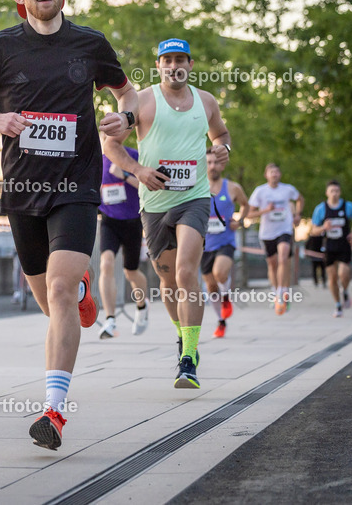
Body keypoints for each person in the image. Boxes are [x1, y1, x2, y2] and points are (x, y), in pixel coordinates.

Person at [0, 0, 137, 450]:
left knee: (56, 289)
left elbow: (127, 93)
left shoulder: (90, 43)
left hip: (77, 186)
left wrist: (127, 118)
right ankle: (78, 293)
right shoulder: (0, 48)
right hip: (23, 190)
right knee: (51, 300)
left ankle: (53, 411)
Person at [105, 38, 231, 390]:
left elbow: (220, 133)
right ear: (158, 65)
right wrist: (137, 171)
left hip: (194, 197)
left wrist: (223, 149)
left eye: (180, 59)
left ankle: (189, 358)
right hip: (154, 203)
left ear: (190, 64)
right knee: (169, 282)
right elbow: (110, 145)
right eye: (167, 59)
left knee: (186, 271)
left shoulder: (206, 101)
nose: (174, 65)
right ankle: (182, 337)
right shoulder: (142, 101)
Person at [95, 136, 149, 339]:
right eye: (104, 136)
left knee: (131, 272)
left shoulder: (134, 156)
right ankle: (110, 319)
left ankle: (142, 307)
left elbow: (147, 187)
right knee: (106, 263)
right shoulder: (97, 161)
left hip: (133, 221)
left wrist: (125, 175)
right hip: (109, 219)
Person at [246, 164, 303, 314]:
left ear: (280, 174)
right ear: (266, 175)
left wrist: (298, 215)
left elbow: (300, 199)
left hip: (284, 229)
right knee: (272, 265)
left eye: (277, 171)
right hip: (267, 233)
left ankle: (282, 292)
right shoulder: (260, 191)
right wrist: (266, 210)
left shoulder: (288, 189)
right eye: (272, 172)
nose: (275, 174)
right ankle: (274, 291)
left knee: (283, 257)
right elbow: (249, 214)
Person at [202, 148, 248, 338]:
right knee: (211, 287)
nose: (213, 166)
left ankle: (226, 297)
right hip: (203, 244)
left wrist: (240, 220)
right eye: (209, 162)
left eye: (216, 162)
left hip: (225, 241)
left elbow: (246, 204)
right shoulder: (197, 186)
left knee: (220, 272)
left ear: (222, 164)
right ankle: (221, 321)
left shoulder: (232, 187)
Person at [310, 181, 352, 317]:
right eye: (332, 191)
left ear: (340, 192)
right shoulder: (320, 209)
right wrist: (323, 228)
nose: (334, 193)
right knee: (332, 278)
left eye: (337, 191)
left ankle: (345, 291)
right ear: (327, 193)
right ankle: (337, 305)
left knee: (343, 273)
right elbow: (314, 230)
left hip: (343, 245)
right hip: (329, 246)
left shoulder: (348, 206)